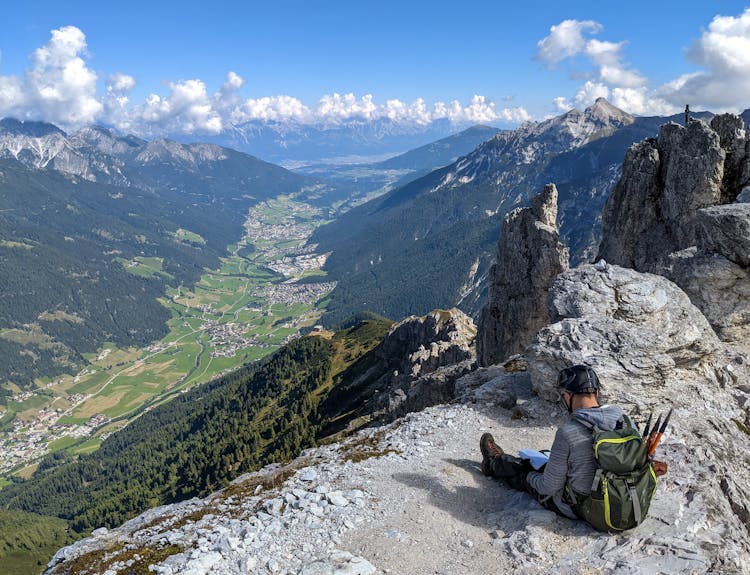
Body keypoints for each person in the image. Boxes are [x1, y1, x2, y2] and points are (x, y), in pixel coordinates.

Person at [479, 364, 625, 520]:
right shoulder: (624, 421)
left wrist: (528, 476)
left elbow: (547, 488)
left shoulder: (568, 433)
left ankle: (493, 463)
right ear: (596, 392)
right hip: (626, 506)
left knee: (526, 470)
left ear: (568, 395)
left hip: (584, 508)